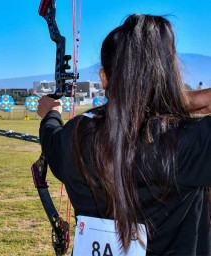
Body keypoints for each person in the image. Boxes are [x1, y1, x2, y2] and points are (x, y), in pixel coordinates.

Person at [37, 14, 211, 255]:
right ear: (169, 77)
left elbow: (51, 138)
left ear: (104, 78)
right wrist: (187, 100)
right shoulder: (189, 141)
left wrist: (51, 114)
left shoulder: (74, 136)